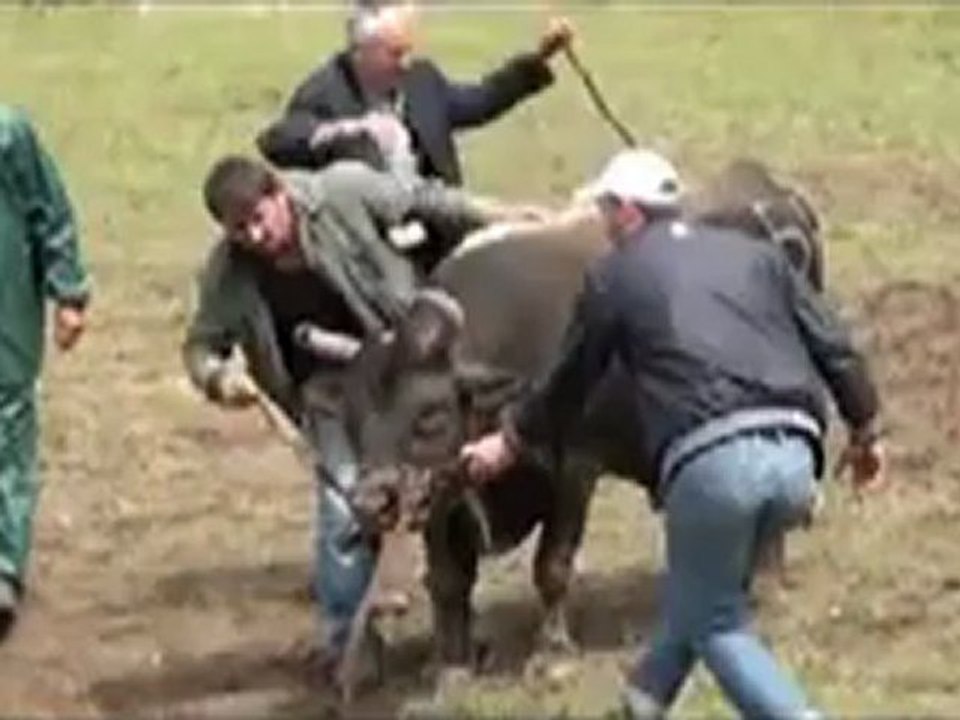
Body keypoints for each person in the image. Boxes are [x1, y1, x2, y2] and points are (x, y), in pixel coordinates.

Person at [460, 149, 885, 719]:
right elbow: (834, 345)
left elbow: (571, 378)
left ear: (629, 212)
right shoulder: (755, 254)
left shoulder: (614, 277)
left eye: (607, 209)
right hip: (797, 455)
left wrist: (508, 441)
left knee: (716, 625)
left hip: (716, 464)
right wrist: (865, 431)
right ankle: (642, 703)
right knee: (696, 594)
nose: (604, 222)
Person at [181, 155, 514, 676]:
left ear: (279, 196)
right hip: (327, 393)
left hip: (401, 370)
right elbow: (202, 345)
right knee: (344, 504)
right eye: (239, 229)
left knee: (444, 486)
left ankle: (458, 619)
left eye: (258, 218)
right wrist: (219, 378)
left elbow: (424, 199)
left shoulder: (341, 193)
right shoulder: (230, 273)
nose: (255, 234)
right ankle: (348, 643)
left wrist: (506, 217)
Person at [256, 1, 573, 270]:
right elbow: (279, 141)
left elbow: (477, 103)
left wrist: (539, 60)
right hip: (373, 259)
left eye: (409, 50)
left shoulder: (422, 79)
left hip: (443, 239)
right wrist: (344, 130)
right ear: (361, 53)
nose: (406, 63)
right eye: (395, 53)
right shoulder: (323, 93)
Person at [0, 105, 91, 640]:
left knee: (8, 433)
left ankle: (3, 563)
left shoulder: (8, 135)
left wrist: (68, 291)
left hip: (4, 318)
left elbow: (48, 210)